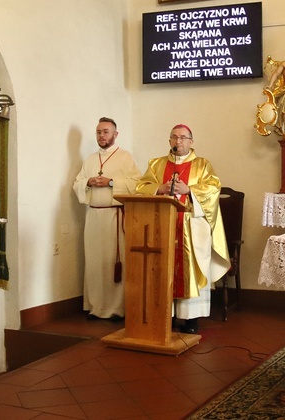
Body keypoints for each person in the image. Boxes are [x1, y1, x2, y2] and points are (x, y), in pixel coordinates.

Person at [135, 124, 229, 334]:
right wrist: (158, 188)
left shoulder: (202, 165)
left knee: (190, 269)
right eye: (175, 137)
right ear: (169, 141)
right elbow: (141, 186)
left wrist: (190, 190)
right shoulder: (156, 164)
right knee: (163, 269)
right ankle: (164, 315)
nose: (179, 142)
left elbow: (213, 188)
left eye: (183, 138)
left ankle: (190, 318)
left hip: (191, 226)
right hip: (163, 226)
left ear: (191, 141)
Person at [73, 117, 141, 320]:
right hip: (94, 216)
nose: (101, 136)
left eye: (105, 132)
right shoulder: (91, 159)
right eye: (98, 132)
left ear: (115, 134)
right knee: (94, 262)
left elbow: (137, 183)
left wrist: (111, 182)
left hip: (115, 216)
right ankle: (96, 307)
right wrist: (88, 181)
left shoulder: (125, 157)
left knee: (113, 262)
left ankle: (117, 309)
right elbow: (77, 183)